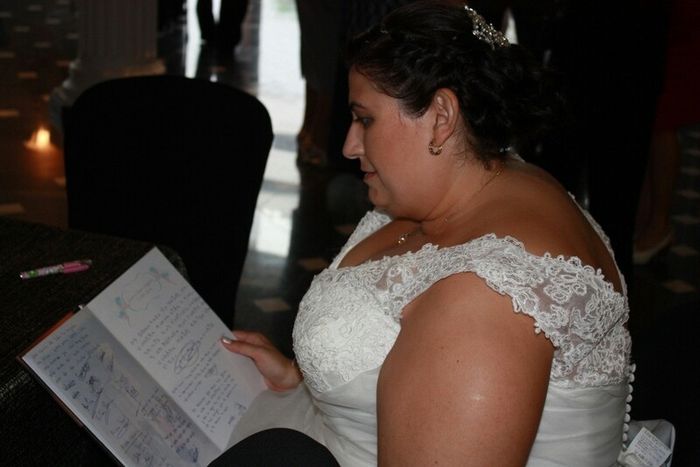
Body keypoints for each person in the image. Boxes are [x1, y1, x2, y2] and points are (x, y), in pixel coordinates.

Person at [213, 2, 633, 465]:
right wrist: (305, 380)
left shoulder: (486, 299)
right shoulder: (484, 178)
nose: (349, 145)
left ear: (441, 115)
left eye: (365, 119)